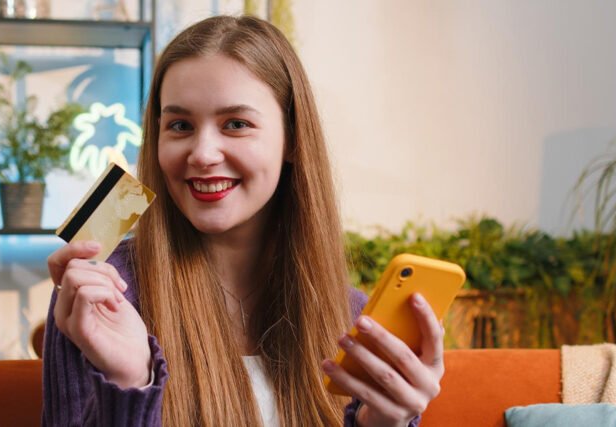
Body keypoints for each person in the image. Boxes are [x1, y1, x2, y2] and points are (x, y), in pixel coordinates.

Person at [42, 15, 445, 426]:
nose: (202, 153)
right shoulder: (102, 296)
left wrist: (383, 423)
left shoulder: (351, 318)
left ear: (292, 139)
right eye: (180, 125)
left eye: (236, 124)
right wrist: (130, 382)